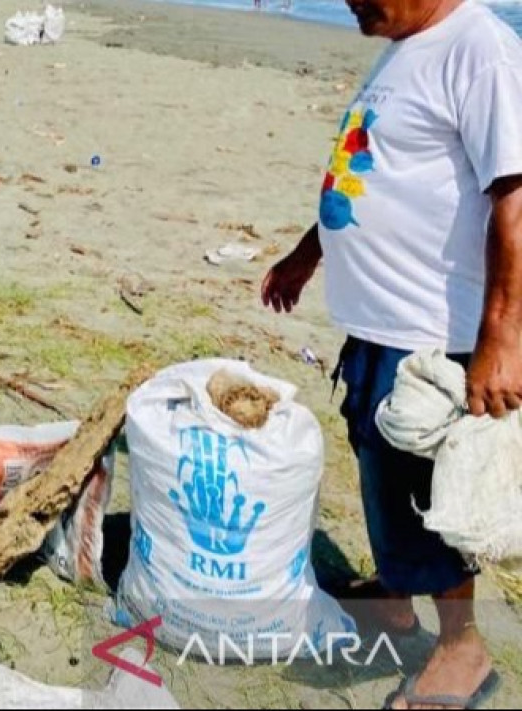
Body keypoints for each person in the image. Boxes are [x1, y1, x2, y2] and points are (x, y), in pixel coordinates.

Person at [262, 0, 522, 708]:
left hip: (433, 331)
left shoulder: (480, 48)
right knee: (378, 460)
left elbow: (514, 194)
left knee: (423, 487)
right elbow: (371, 173)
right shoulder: (405, 48)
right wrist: (307, 253)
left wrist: (502, 336)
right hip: (379, 323)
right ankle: (396, 597)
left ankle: (462, 650)